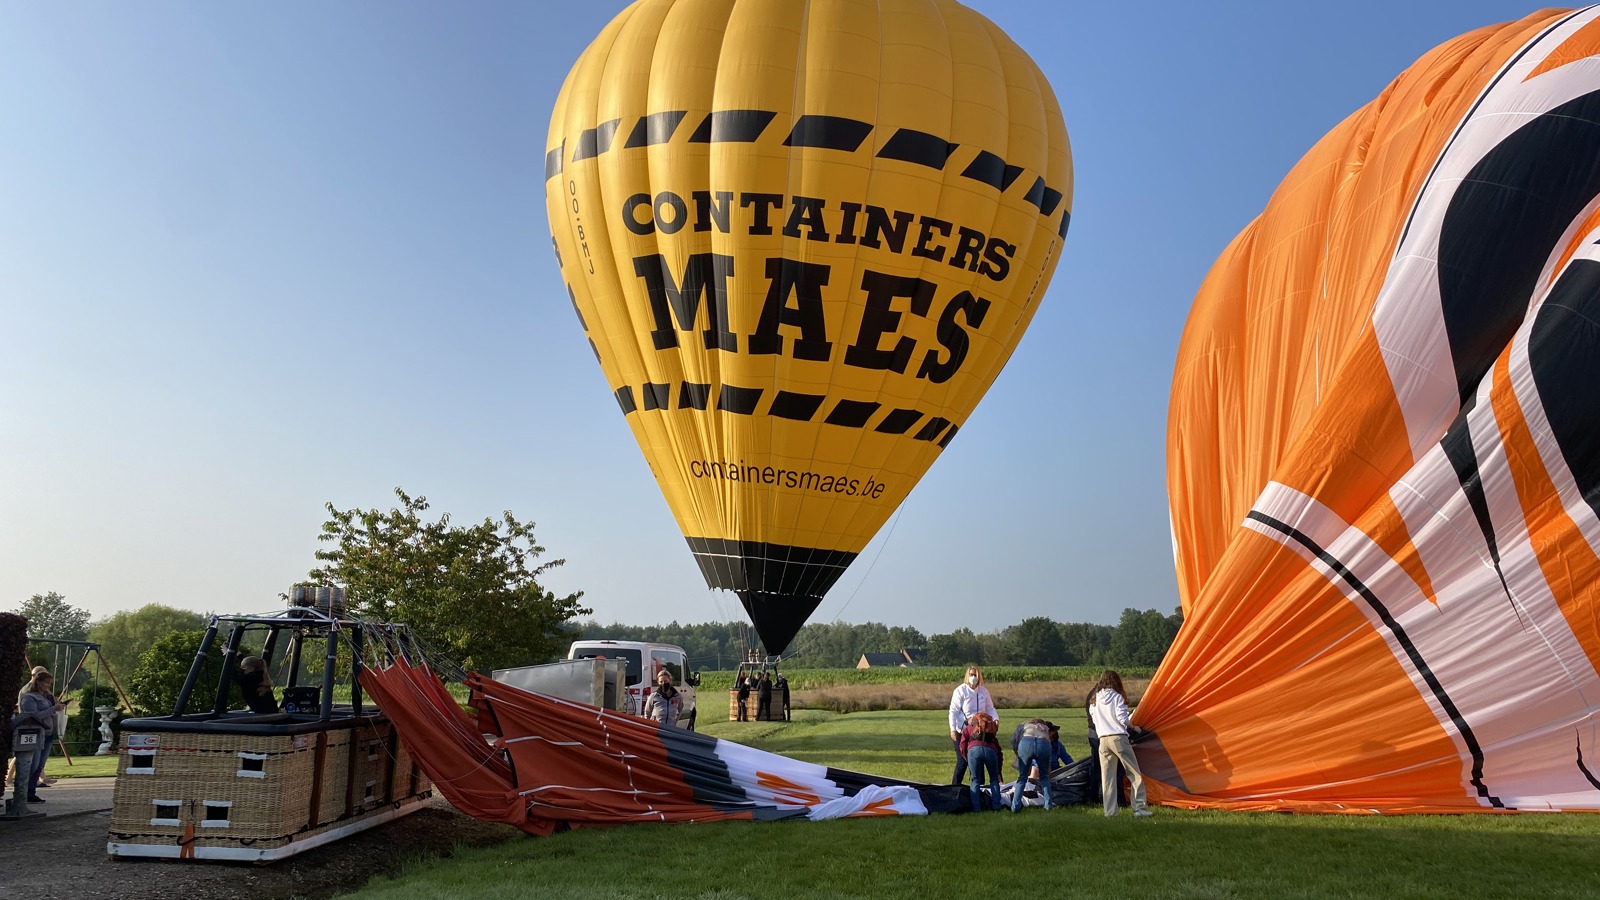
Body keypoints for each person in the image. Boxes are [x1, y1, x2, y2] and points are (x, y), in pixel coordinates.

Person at [1089, 669, 1151, 817]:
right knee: (1134, 773)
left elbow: (1094, 718)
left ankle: (1110, 811)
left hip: (1102, 740)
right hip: (1118, 738)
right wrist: (1132, 726)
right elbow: (1121, 718)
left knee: (1107, 778)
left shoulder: (1095, 699)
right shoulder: (1117, 697)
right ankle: (1140, 809)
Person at [16, 668, 63, 802]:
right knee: (33, 764)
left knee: (40, 765)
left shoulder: (45, 696)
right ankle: (23, 793)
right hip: (36, 734)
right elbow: (33, 716)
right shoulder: (29, 697)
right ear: (38, 682)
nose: (48, 686)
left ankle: (31, 792)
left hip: (48, 734)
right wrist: (53, 709)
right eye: (46, 683)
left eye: (50, 683)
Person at [947, 665, 997, 786]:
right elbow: (953, 711)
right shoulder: (960, 691)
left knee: (978, 760)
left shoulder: (984, 691)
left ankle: (980, 789)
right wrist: (953, 729)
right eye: (971, 674)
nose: (973, 677)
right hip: (962, 730)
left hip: (979, 731)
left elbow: (990, 708)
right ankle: (954, 787)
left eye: (975, 674)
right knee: (962, 761)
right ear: (967, 676)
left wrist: (995, 719)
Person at [958, 711, 1003, 812]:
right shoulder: (990, 728)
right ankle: (996, 806)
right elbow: (998, 749)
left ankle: (976, 808)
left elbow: (962, 744)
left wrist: (967, 758)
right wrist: (999, 770)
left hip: (974, 751)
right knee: (994, 779)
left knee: (975, 780)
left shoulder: (970, 727)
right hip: (991, 751)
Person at [1011, 717, 1054, 812]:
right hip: (1043, 744)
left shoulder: (1023, 726)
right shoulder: (1045, 728)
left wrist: (1018, 755)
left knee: (1022, 778)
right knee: (1044, 777)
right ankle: (1048, 806)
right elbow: (1049, 745)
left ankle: (1015, 807)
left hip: (1026, 743)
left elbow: (1015, 741)